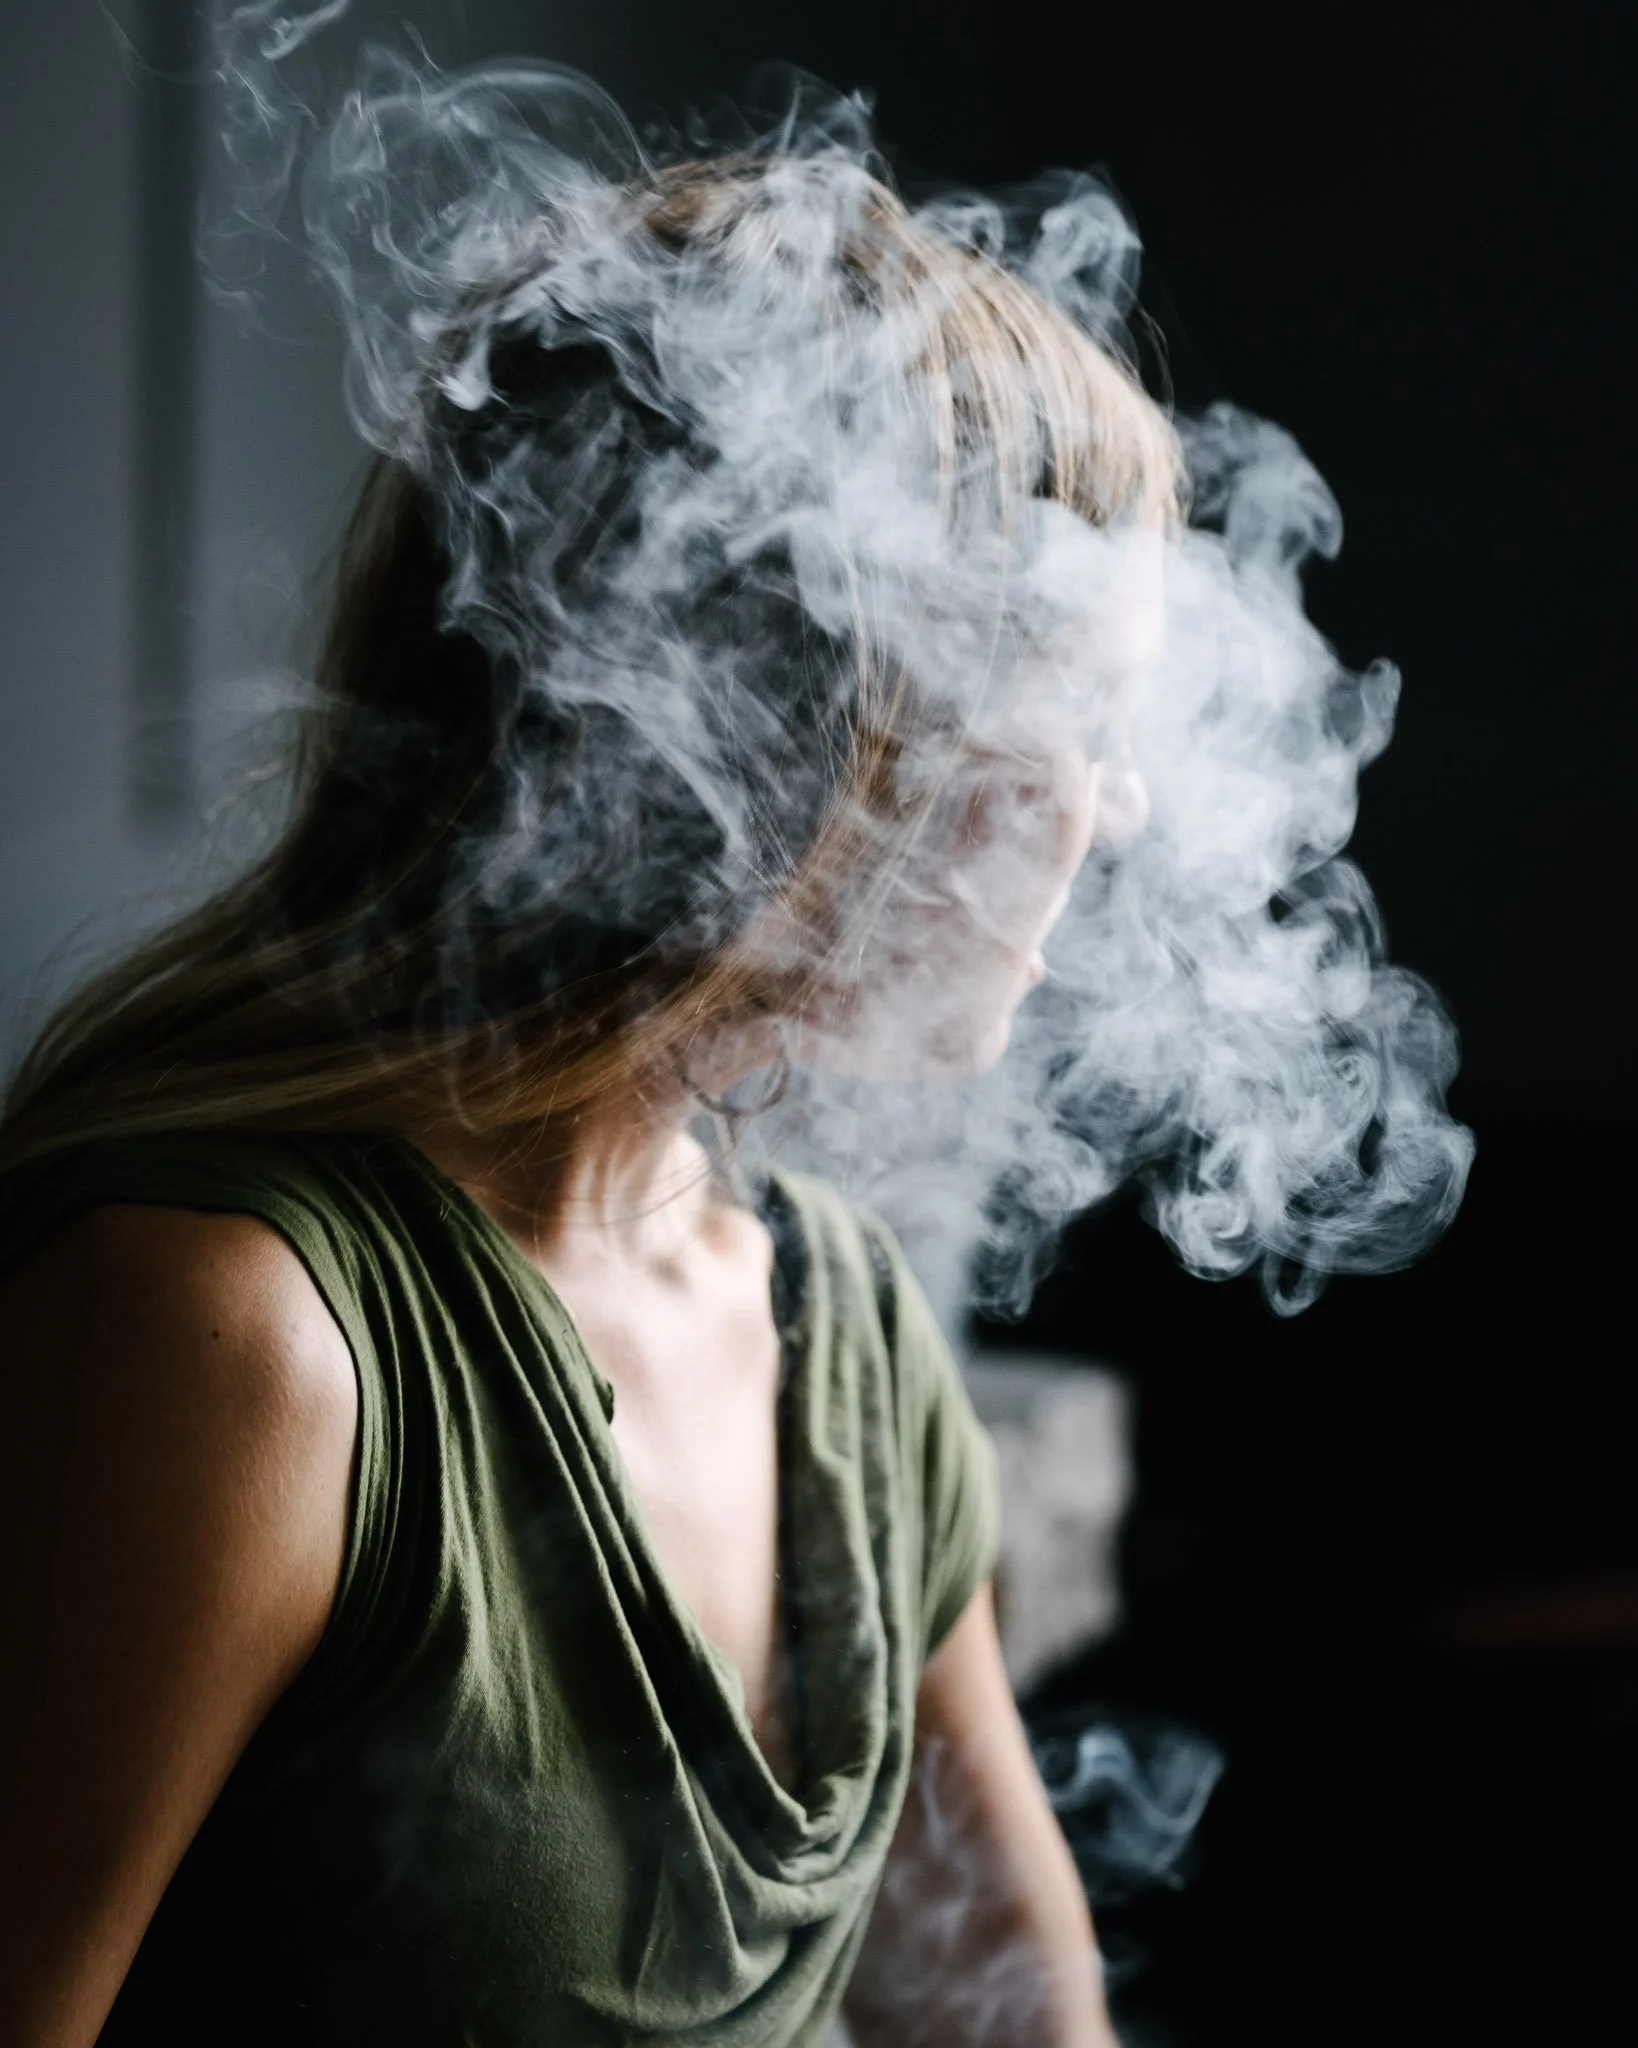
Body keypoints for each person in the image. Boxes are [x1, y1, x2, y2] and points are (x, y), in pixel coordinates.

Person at [0, 148, 1178, 2047]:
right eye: (1069, 715)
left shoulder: (841, 1325)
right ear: (780, 728)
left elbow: (1011, 2012)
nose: (1110, 807)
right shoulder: (232, 1345)